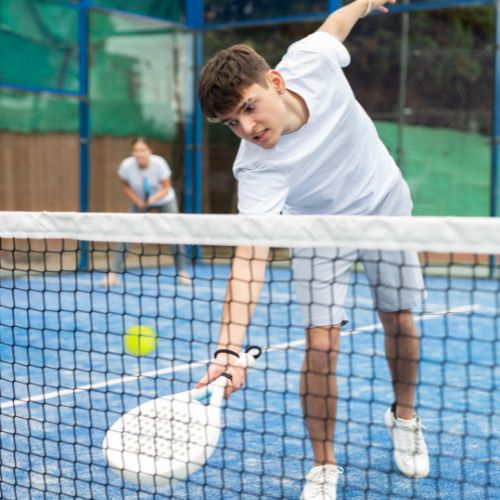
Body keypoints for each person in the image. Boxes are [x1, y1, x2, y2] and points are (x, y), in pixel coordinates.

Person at [196, 0, 429, 498]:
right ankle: (324, 466)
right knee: (321, 347)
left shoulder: (312, 59)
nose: (247, 128)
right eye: (231, 122)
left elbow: (337, 23)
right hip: (319, 231)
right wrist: (227, 348)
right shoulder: (257, 168)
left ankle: (404, 417)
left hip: (384, 203)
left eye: (249, 107)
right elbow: (250, 257)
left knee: (400, 319)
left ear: (276, 83)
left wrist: (364, 2)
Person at [101, 137, 191, 287]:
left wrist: (154, 199)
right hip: (140, 202)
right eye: (136, 150)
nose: (139, 153)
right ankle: (113, 274)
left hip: (164, 200)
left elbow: (166, 187)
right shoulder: (126, 166)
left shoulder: (159, 163)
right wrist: (137, 200)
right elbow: (126, 186)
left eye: (142, 150)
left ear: (150, 151)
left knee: (175, 234)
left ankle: (182, 272)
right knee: (125, 234)